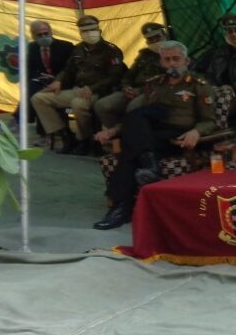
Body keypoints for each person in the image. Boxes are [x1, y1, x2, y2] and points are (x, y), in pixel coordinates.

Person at [91, 40, 215, 230]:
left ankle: (121, 208)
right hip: (152, 134)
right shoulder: (154, 84)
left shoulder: (199, 85)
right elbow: (137, 119)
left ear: (186, 60)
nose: (172, 64)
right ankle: (147, 165)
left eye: (176, 59)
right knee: (138, 117)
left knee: (129, 151)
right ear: (161, 63)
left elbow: (210, 120)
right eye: (167, 60)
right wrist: (113, 130)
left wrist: (196, 131)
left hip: (178, 136)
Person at [30, 15, 126, 155]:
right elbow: (68, 69)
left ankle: (86, 140)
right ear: (80, 33)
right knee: (38, 98)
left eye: (92, 29)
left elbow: (115, 76)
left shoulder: (111, 50)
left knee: (78, 104)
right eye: (85, 31)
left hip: (99, 91)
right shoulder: (78, 49)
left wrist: (92, 88)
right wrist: (58, 81)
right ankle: (66, 136)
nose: (89, 33)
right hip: (77, 89)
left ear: (99, 30)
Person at [93, 22, 168, 138]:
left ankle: (131, 137)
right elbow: (128, 75)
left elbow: (169, 80)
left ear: (165, 35)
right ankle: (119, 135)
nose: (154, 41)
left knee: (133, 107)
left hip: (155, 92)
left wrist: (141, 91)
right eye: (150, 39)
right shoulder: (144, 55)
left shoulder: (173, 53)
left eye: (157, 37)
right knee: (102, 105)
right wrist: (126, 87)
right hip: (133, 90)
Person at [17, 20, 74, 132]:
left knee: (34, 91)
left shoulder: (66, 46)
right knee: (32, 85)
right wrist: (39, 76)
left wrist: (55, 78)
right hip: (42, 81)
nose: (44, 36)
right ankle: (43, 127)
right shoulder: (32, 46)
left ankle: (24, 119)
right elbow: (29, 68)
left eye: (46, 33)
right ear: (33, 36)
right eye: (39, 35)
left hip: (63, 82)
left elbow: (70, 69)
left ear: (51, 32)